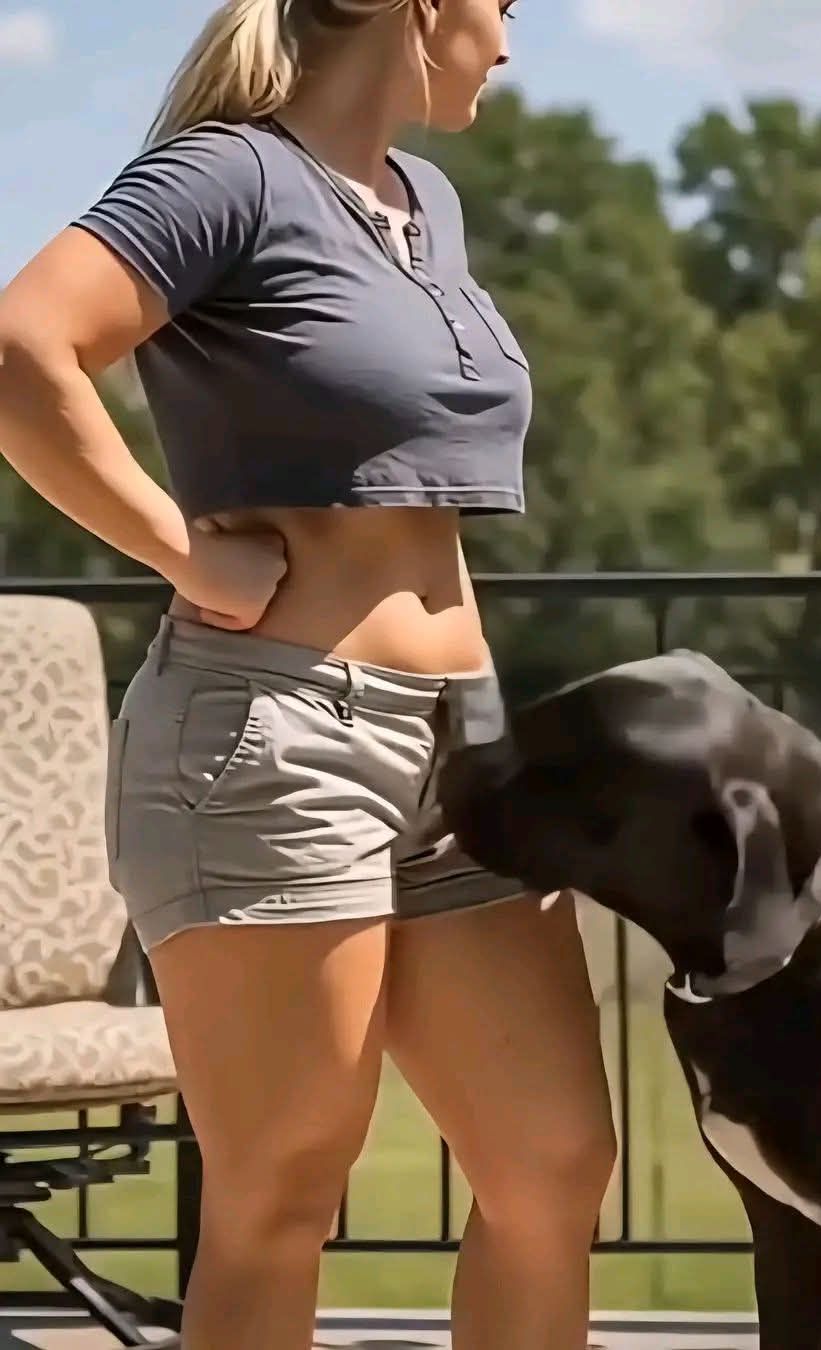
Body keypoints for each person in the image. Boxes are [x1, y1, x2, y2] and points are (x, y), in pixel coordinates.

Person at [0, 2, 617, 1348]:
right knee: (283, 1190)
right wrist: (181, 551)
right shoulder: (229, 174)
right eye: (505, 7)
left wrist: (496, 740)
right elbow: (21, 346)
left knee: (554, 1160)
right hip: (275, 735)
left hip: (464, 742)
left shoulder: (426, 203)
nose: (511, 43)